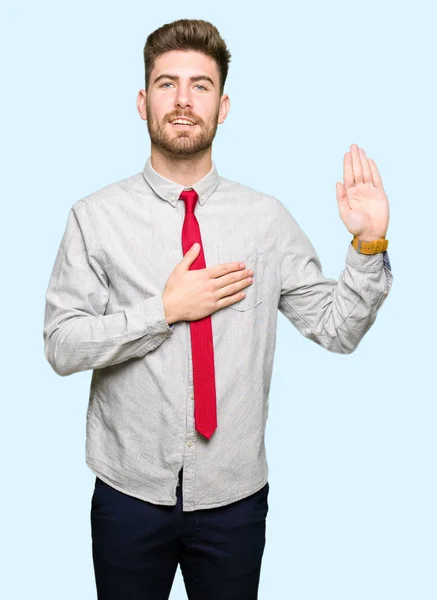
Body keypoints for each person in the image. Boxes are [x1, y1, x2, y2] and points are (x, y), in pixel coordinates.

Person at [43, 18, 393, 600]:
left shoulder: (266, 220)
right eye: (167, 84)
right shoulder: (94, 217)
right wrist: (164, 310)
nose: (183, 100)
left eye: (200, 86)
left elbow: (337, 330)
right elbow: (61, 344)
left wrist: (367, 244)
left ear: (223, 105)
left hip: (234, 499)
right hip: (128, 496)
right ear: (141, 100)